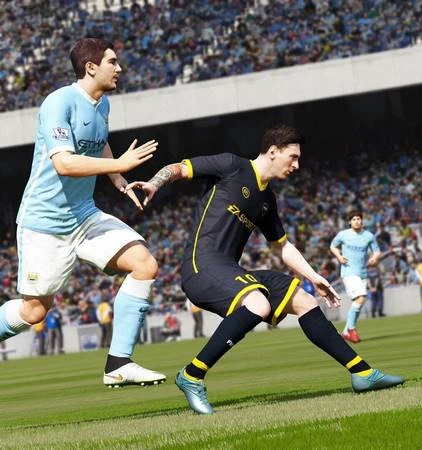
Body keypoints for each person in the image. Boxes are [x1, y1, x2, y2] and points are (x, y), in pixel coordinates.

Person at [125, 125, 403, 414]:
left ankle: (362, 373)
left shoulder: (267, 200)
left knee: (304, 301)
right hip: (200, 266)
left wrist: (314, 277)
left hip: (228, 269)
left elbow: (282, 246)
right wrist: (155, 183)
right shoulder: (232, 165)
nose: (297, 165)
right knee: (258, 303)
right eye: (293, 157)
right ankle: (192, 375)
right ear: (273, 151)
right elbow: (180, 169)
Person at [0, 38, 165, 386]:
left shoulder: (102, 104)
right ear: (91, 67)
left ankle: (118, 364)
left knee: (144, 264)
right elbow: (64, 163)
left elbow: (98, 142)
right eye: (112, 62)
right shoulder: (58, 103)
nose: (119, 68)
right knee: (34, 311)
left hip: (85, 214)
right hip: (44, 223)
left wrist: (118, 179)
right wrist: (120, 163)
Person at [330, 211, 382, 343]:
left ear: (362, 220)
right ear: (349, 222)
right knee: (361, 298)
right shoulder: (343, 235)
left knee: (358, 302)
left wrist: (374, 258)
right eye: (354, 219)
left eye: (358, 219)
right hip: (348, 272)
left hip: (362, 273)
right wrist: (339, 256)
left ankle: (346, 332)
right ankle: (351, 329)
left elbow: (377, 251)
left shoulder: (368, 236)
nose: (357, 221)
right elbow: (333, 246)